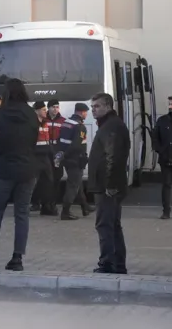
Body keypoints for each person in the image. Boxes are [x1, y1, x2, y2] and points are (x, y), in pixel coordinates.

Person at [0, 79, 39, 271]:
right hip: (28, 170)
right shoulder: (30, 114)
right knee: (22, 214)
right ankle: (17, 258)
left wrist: (0, 151)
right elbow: (34, 140)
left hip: (3, 170)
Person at [87, 93, 130, 274]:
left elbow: (114, 157)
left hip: (107, 186)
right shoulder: (109, 125)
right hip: (107, 184)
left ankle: (108, 263)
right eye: (92, 107)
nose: (93, 110)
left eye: (97, 106)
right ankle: (117, 263)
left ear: (108, 106)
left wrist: (110, 184)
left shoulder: (111, 127)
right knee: (112, 224)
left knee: (105, 224)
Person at [55, 103, 94, 220]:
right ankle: (65, 212)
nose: (87, 114)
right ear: (82, 112)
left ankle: (85, 207)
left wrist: (62, 155)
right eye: (86, 112)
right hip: (76, 159)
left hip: (67, 159)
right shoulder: (80, 126)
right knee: (73, 185)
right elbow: (76, 145)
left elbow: (60, 140)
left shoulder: (66, 123)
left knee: (77, 183)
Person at [151, 95, 172, 219]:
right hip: (165, 158)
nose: (170, 106)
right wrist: (159, 150)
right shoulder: (162, 120)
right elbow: (155, 137)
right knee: (166, 185)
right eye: (170, 104)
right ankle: (166, 211)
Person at [29, 101, 57, 216]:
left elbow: (47, 141)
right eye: (44, 110)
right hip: (34, 157)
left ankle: (46, 207)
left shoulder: (45, 123)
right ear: (37, 111)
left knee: (48, 182)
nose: (46, 111)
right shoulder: (31, 124)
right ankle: (27, 206)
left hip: (45, 157)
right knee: (31, 183)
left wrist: (53, 154)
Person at [46, 99, 66, 206]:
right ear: (48, 108)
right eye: (53, 107)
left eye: (57, 107)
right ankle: (43, 201)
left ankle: (53, 201)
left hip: (58, 153)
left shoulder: (63, 121)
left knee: (57, 176)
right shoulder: (43, 120)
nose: (55, 109)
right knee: (45, 178)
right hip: (46, 152)